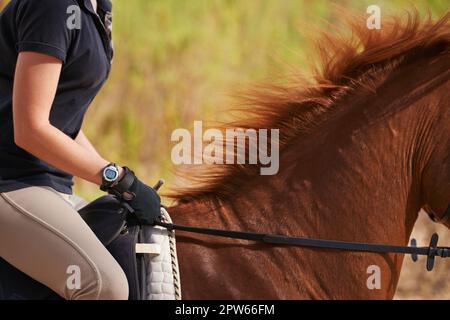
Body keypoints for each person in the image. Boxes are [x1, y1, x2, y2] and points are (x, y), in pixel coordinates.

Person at [0, 0, 161, 300]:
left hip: (47, 183)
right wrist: (116, 178)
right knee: (105, 287)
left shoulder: (96, 10)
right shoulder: (52, 6)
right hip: (11, 181)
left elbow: (63, 123)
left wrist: (121, 181)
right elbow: (31, 129)